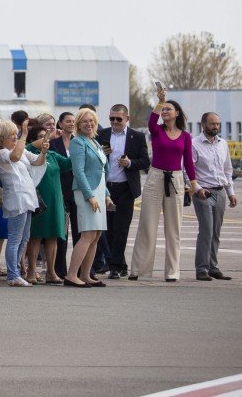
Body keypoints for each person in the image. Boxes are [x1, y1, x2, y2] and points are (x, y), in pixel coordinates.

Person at [129, 88, 198, 282]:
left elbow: (189, 162)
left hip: (175, 179)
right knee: (147, 225)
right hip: (155, 177)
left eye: (169, 109)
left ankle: (172, 271)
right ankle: (139, 270)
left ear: (177, 113)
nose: (165, 111)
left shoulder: (185, 136)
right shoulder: (157, 130)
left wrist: (192, 183)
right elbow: (151, 121)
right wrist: (161, 100)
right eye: (163, 109)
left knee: (173, 228)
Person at [95, 104, 151, 279]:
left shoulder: (137, 136)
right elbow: (92, 159)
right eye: (112, 118)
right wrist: (101, 153)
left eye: (119, 119)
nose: (115, 122)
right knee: (108, 230)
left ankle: (115, 266)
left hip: (126, 188)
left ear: (127, 119)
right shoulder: (102, 135)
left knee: (121, 230)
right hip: (106, 188)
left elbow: (145, 162)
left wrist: (130, 163)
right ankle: (119, 264)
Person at [0, 121, 48, 287]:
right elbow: (14, 157)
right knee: (15, 238)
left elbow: (37, 161)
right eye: (12, 135)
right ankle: (13, 274)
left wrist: (43, 151)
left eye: (16, 135)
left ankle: (15, 271)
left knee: (24, 238)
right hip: (16, 199)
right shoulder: (1, 153)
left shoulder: (20, 150)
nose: (15, 138)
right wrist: (24, 135)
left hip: (27, 198)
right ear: (2, 138)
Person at [65, 108, 109, 288]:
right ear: (78, 124)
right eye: (84, 121)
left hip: (98, 191)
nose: (88, 124)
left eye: (91, 120)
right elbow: (79, 171)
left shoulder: (95, 142)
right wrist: (90, 196)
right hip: (86, 192)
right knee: (88, 234)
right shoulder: (78, 142)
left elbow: (102, 171)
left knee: (96, 235)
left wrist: (106, 195)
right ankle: (71, 275)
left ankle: (85, 274)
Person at [24, 118, 71, 285]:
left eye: (48, 136)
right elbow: (28, 147)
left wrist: (75, 144)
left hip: (56, 200)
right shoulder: (29, 152)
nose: (46, 139)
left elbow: (69, 164)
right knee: (35, 236)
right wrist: (46, 139)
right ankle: (31, 272)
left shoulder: (53, 154)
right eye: (41, 136)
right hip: (39, 200)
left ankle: (51, 272)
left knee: (53, 236)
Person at [191, 112, 237, 281]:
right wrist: (197, 189)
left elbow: (227, 170)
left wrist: (230, 192)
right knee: (206, 230)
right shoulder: (194, 144)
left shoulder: (222, 144)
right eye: (212, 124)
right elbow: (188, 171)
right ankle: (201, 269)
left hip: (220, 192)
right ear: (203, 125)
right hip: (203, 193)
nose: (215, 127)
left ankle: (213, 267)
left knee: (216, 231)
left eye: (217, 124)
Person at [49, 111, 76, 280]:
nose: (71, 124)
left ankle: (81, 269)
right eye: (68, 121)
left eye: (73, 121)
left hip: (77, 191)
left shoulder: (78, 142)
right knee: (62, 233)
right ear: (60, 123)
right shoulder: (53, 143)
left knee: (81, 232)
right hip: (61, 192)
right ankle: (60, 270)